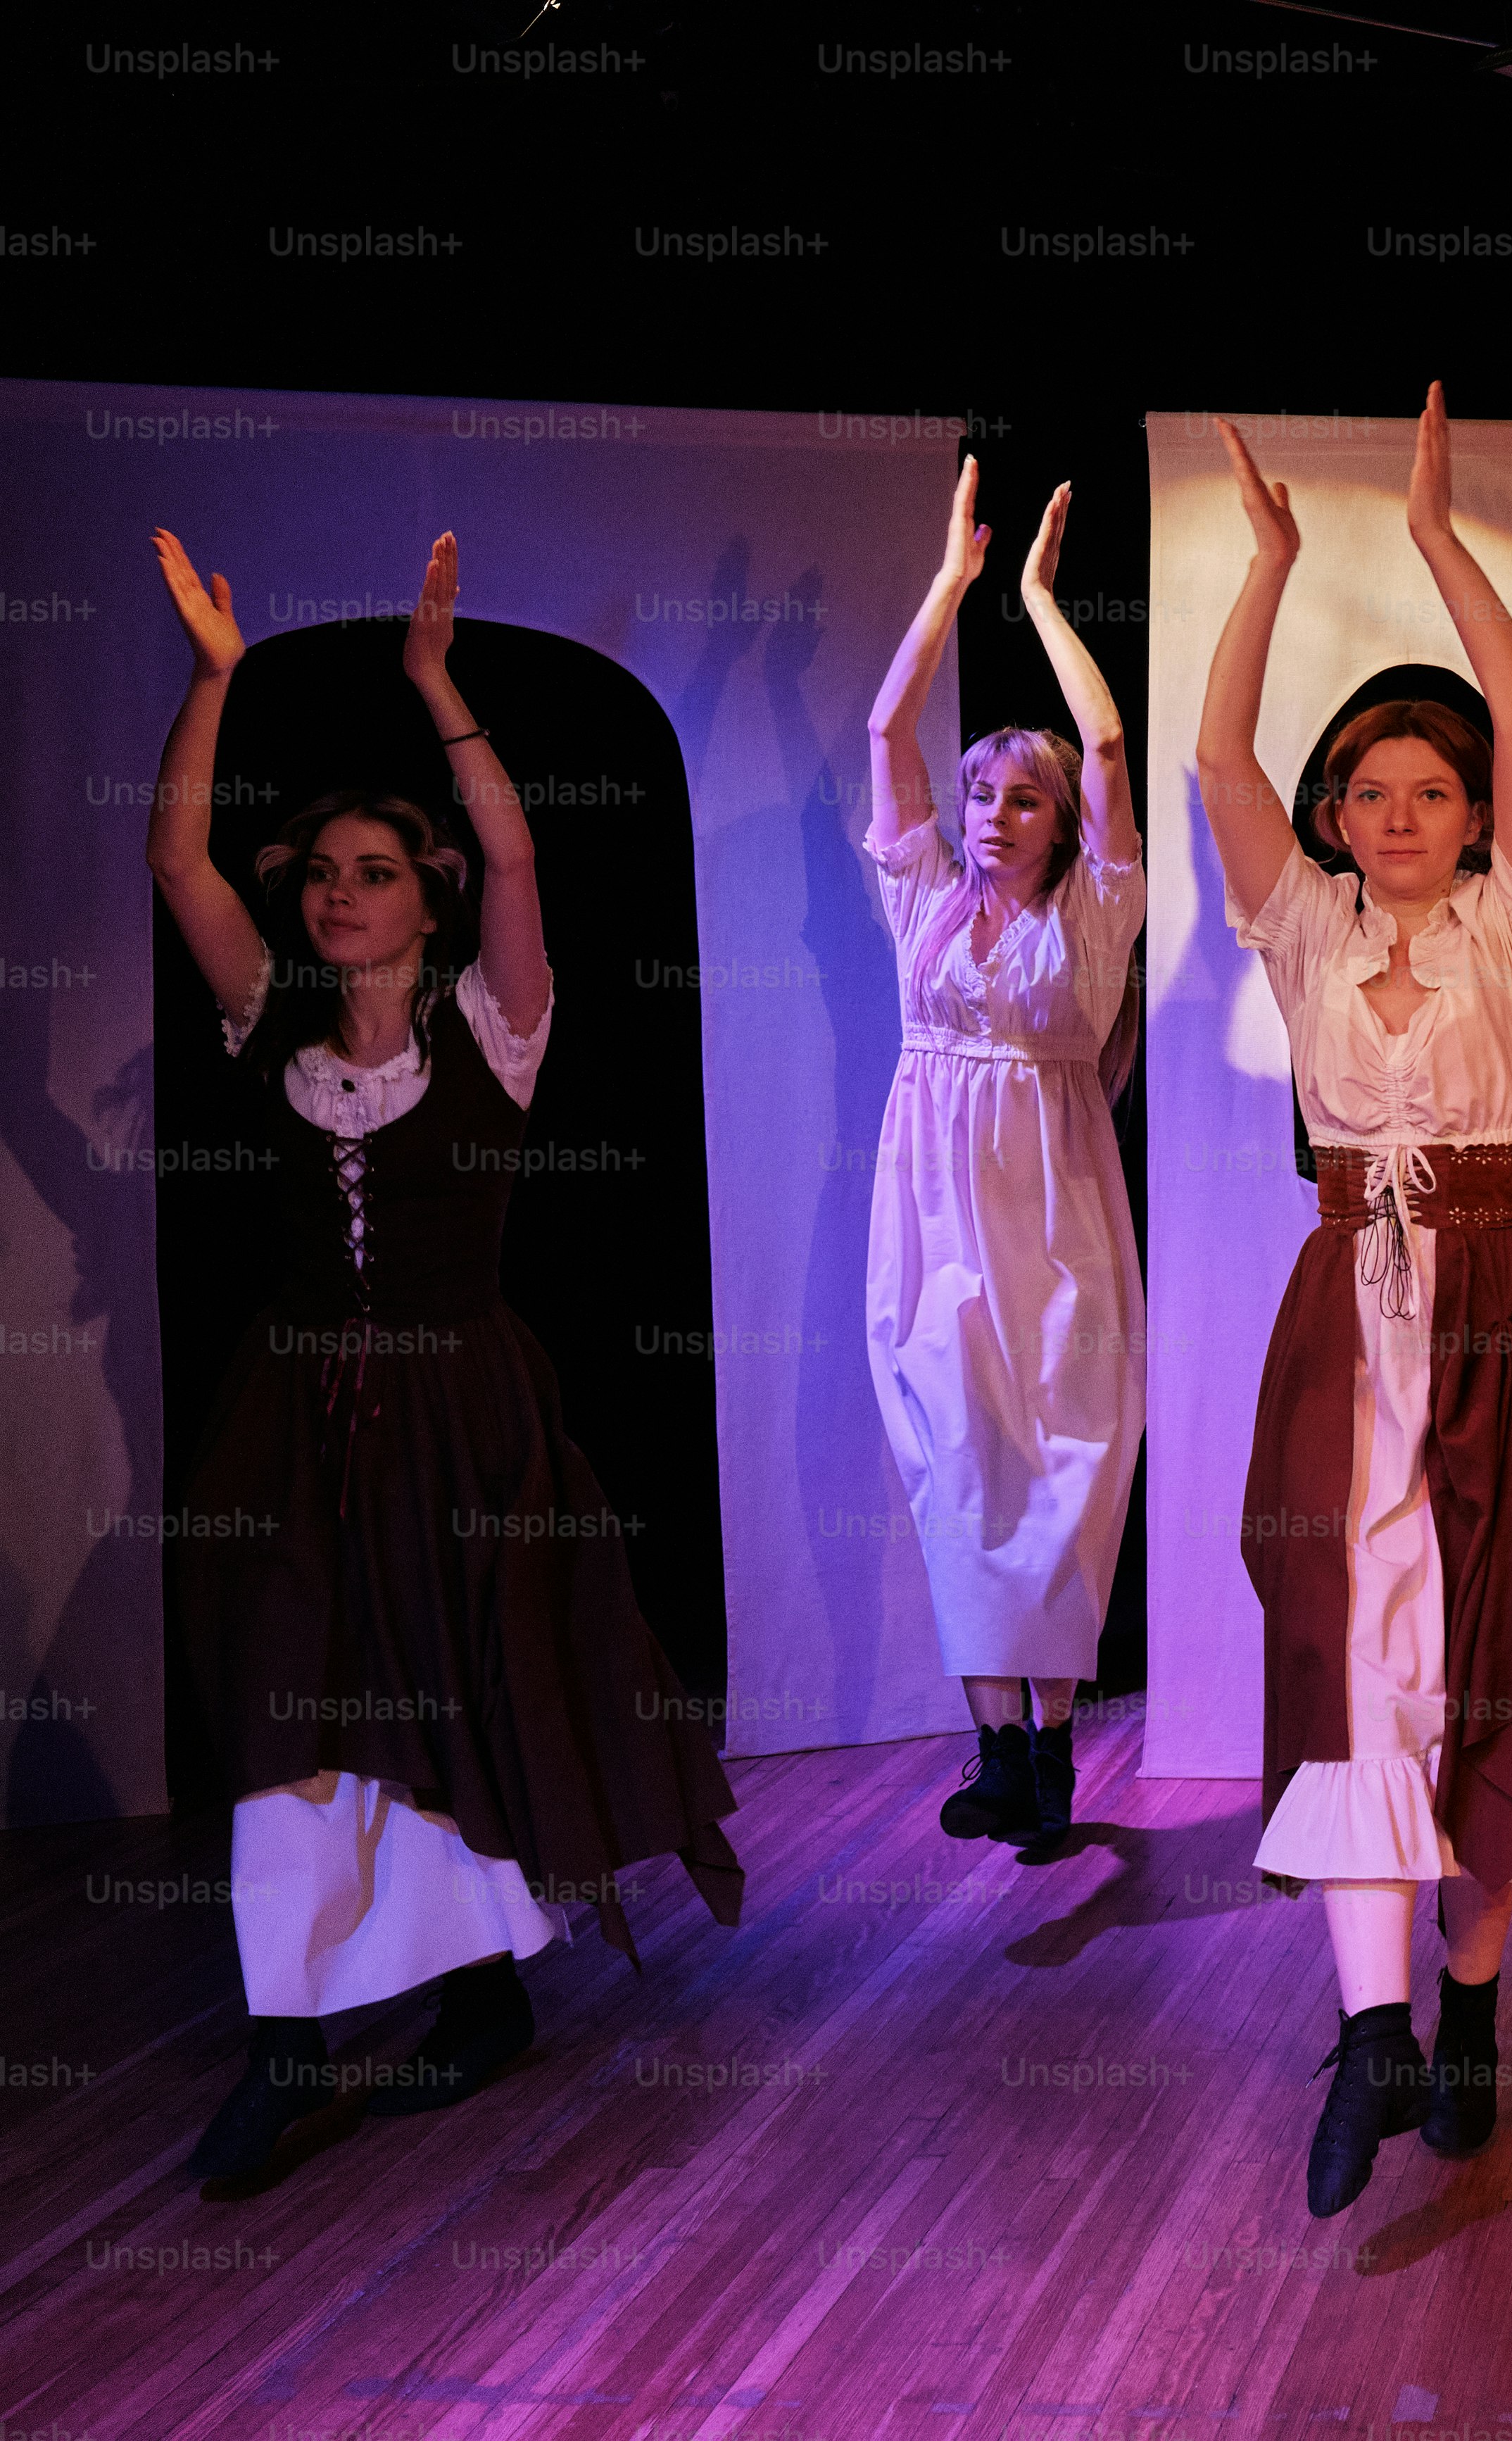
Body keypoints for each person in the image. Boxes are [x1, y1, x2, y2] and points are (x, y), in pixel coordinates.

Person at [145, 526, 744, 2183]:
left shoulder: (496, 1027)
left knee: (446, 1698)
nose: (340, 892)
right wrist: (215, 685)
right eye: (325, 871)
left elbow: (526, 867)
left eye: (375, 872)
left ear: (432, 898)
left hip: (464, 1417)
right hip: (295, 1423)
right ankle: (286, 2043)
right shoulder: (266, 1018)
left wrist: (436, 686)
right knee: (286, 1697)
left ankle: (479, 1991)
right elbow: (184, 868)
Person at [1197, 389, 1512, 2220]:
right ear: (1339, 818)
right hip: (1351, 1325)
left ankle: (1466, 2010)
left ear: (1475, 815)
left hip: (1497, 1312)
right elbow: (1219, 768)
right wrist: (1266, 569)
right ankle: (1370, 2034)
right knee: (1356, 1674)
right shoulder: (1311, 927)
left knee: (1491, 1681)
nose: (1398, 816)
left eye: (1432, 792)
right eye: (1371, 794)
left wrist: (1437, 545)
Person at [860, 461, 1148, 1855]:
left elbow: (1104, 752)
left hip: (1055, 1210)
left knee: (1065, 1457)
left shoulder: (1088, 923)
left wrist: (1036, 597)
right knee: (953, 1457)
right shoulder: (919, 903)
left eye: (1017, 801)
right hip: (928, 1212)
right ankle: (995, 1750)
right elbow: (882, 728)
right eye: (979, 794)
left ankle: (1052, 1743)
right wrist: (947, 584)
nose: (989, 814)